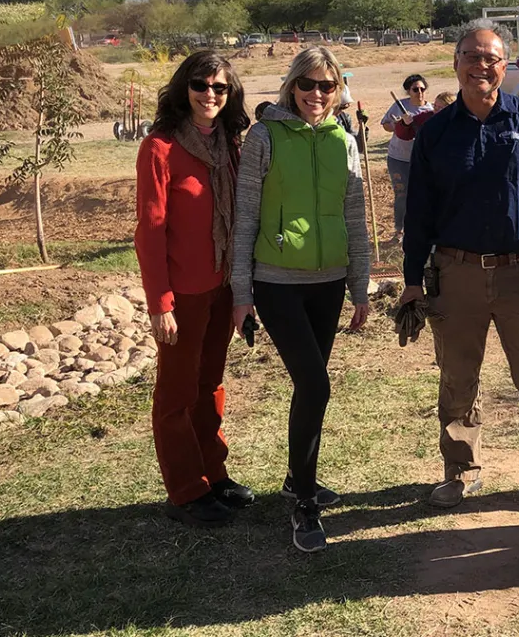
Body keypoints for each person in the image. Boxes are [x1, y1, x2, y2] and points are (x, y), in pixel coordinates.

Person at [399, 19, 519, 515]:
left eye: (492, 58)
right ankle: (460, 471)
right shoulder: (434, 133)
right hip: (454, 274)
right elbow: (418, 214)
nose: (482, 65)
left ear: (505, 66)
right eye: (472, 56)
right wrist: (413, 282)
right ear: (455, 64)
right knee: (458, 377)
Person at [231, 46, 371, 553]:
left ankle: (297, 478)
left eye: (327, 87)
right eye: (307, 85)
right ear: (292, 86)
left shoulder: (345, 139)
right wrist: (241, 294)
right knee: (315, 384)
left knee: (310, 388)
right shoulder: (265, 136)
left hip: (329, 282)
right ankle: (304, 502)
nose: (316, 95)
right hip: (276, 281)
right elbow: (245, 215)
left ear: (338, 91)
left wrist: (361, 286)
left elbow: (355, 216)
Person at [135, 51, 253, 527]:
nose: (209, 95)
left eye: (220, 88)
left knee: (210, 384)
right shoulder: (160, 148)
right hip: (182, 295)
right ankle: (186, 490)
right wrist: (161, 303)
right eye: (201, 85)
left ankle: (213, 473)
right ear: (184, 89)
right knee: (177, 393)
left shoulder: (230, 145)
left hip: (222, 287)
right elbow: (150, 231)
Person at [381, 74, 433, 242]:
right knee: (401, 194)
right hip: (398, 159)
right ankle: (399, 231)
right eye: (415, 89)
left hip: (419, 160)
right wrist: (398, 124)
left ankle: (419, 229)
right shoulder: (399, 106)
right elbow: (386, 125)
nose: (420, 93)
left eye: (422, 89)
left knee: (420, 194)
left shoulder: (430, 110)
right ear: (408, 91)